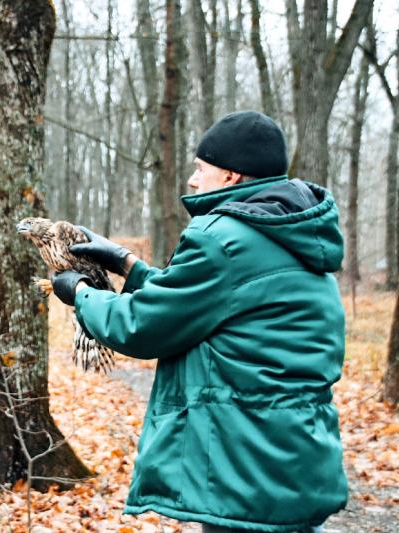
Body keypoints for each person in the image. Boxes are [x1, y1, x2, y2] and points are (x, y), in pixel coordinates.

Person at [51, 111, 346, 533]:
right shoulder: (292, 232)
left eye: (200, 168)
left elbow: (143, 325)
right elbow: (204, 303)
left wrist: (79, 292)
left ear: (228, 176)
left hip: (244, 463)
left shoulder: (222, 238)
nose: (192, 180)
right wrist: (125, 262)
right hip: (295, 457)